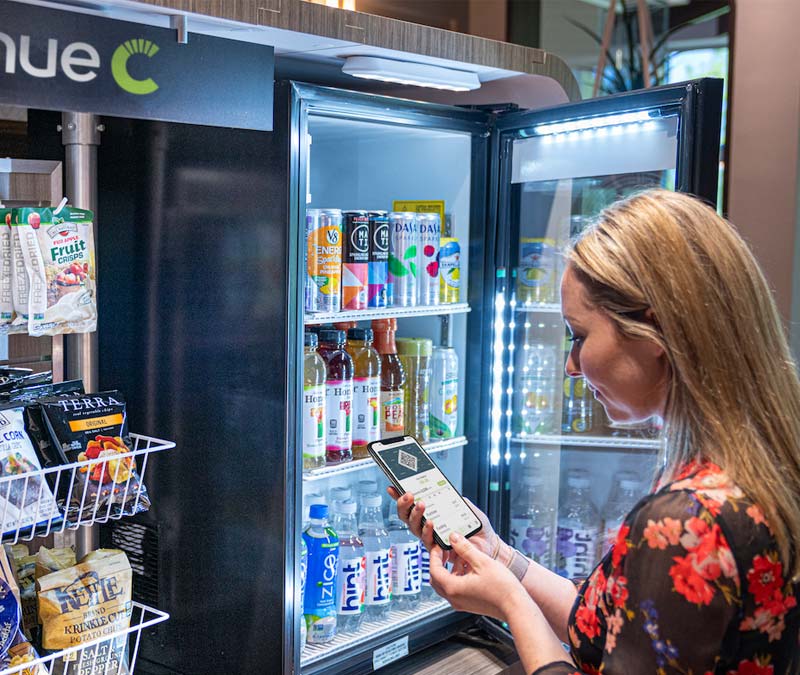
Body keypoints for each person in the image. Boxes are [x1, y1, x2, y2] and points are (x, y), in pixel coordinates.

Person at [390, 189, 800, 675]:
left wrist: (508, 605)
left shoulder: (689, 522)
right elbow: (603, 627)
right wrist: (500, 556)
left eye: (579, 336)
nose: (569, 365)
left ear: (656, 332)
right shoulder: (759, 468)